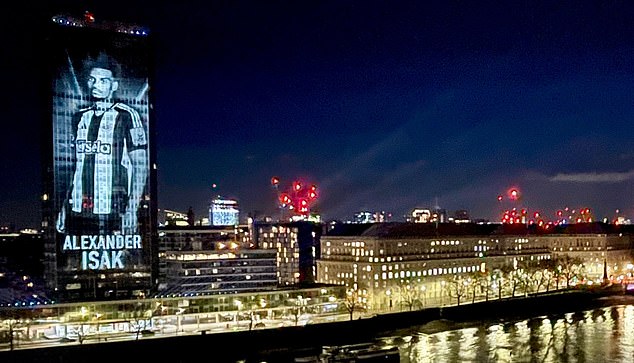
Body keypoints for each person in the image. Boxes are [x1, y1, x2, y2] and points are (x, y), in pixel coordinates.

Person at [56, 53, 148, 236]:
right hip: (79, 210)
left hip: (113, 211)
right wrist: (64, 208)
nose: (96, 85)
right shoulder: (79, 117)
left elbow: (141, 167)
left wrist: (131, 211)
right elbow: (76, 167)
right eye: (92, 80)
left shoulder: (127, 115)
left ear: (114, 85)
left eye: (103, 81)